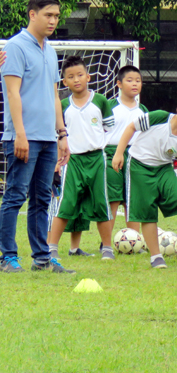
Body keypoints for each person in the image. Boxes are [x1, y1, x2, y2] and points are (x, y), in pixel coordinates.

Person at [0, 0, 73, 273]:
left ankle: (42, 258)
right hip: (22, 137)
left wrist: (62, 134)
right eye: (48, 15)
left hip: (48, 139)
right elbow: (12, 93)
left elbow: (55, 96)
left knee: (42, 199)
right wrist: (19, 133)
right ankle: (7, 257)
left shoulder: (50, 50)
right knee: (15, 196)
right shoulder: (15, 47)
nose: (53, 21)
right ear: (32, 14)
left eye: (56, 16)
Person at [112, 95, 177, 269]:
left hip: (164, 168)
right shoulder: (160, 117)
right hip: (139, 166)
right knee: (147, 211)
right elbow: (131, 127)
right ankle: (156, 256)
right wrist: (119, 153)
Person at [48, 56, 115, 260]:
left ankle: (107, 248)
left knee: (101, 202)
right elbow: (58, 135)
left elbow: (109, 128)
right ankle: (51, 248)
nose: (76, 80)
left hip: (96, 160)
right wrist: (57, 161)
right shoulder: (62, 105)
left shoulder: (100, 101)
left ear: (88, 76)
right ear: (64, 81)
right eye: (70, 77)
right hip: (72, 161)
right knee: (66, 203)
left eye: (79, 75)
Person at [105, 65, 148, 238]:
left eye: (138, 81)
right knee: (113, 198)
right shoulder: (108, 106)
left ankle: (134, 240)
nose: (135, 84)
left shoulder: (143, 110)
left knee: (132, 198)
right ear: (119, 84)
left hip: (135, 156)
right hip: (111, 154)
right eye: (129, 80)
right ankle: (105, 242)